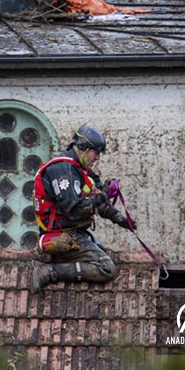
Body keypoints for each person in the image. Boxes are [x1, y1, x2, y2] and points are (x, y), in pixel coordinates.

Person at [31, 124, 135, 292]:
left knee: (105, 251)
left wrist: (118, 218)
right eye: (96, 152)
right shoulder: (62, 169)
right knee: (106, 268)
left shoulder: (83, 171)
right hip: (63, 236)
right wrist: (103, 196)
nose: (97, 158)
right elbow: (73, 210)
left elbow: (99, 199)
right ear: (83, 149)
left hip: (78, 233)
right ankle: (49, 272)